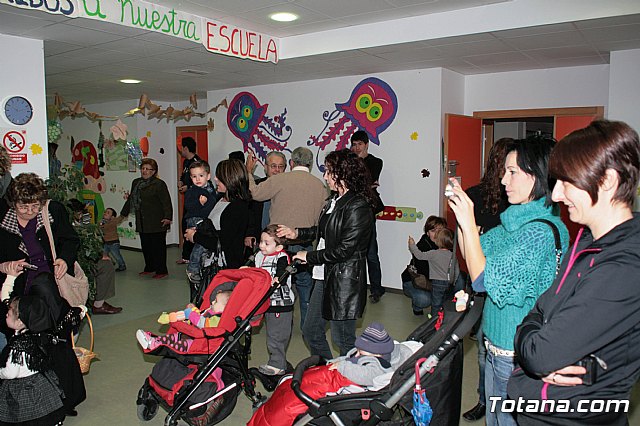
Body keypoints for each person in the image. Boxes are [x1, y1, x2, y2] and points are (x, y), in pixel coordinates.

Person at [508, 120, 640, 425]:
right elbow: (540, 309)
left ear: (607, 181)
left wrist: (533, 346)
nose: (556, 195)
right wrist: (533, 336)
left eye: (566, 183)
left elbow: (539, 354)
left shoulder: (624, 267)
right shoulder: (586, 241)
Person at [447, 136, 569, 426]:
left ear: (538, 175)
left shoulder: (539, 232)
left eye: (512, 172)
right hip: (496, 345)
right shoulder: (516, 221)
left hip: (515, 354)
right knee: (495, 419)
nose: (503, 180)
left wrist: (468, 222)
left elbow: (482, 280)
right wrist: (463, 222)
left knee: (505, 421)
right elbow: (474, 255)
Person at [278, 149, 375, 358]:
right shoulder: (335, 200)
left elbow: (344, 250)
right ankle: (327, 369)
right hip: (325, 274)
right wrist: (297, 233)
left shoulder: (358, 206)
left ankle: (352, 376)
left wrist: (309, 257)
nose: (325, 176)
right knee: (311, 331)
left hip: (344, 280)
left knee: (343, 340)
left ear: (342, 173)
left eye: (329, 171)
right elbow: (325, 231)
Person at [247, 147, 326, 328]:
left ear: (291, 163)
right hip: (305, 245)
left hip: (279, 246)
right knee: (305, 287)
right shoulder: (320, 186)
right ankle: (307, 326)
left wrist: (249, 173)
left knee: (278, 286)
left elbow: (255, 193)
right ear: (310, 164)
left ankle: (280, 324)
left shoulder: (279, 180)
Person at [462, 137, 512, 423]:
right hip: (480, 283)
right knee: (484, 353)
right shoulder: (475, 195)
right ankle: (484, 400)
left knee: (499, 355)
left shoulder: (520, 202)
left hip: (504, 287)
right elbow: (468, 249)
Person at [0, 295, 66, 426]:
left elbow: (10, 373)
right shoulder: (36, 336)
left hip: (23, 388)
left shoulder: (19, 346)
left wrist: (1, 373)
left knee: (25, 415)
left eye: (10, 312)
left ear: (20, 321)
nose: (6, 314)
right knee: (42, 411)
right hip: (39, 382)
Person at [184, 159, 251, 273]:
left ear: (229, 179)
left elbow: (224, 243)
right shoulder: (220, 198)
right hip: (211, 264)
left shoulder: (237, 207)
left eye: (219, 177)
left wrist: (195, 237)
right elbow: (214, 229)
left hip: (225, 267)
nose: (215, 179)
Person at [245, 224, 293, 376]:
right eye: (261, 242)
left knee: (276, 335)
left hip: (279, 303)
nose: (261, 246)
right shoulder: (259, 256)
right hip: (261, 299)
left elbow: (282, 271)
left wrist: (278, 278)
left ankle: (277, 364)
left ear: (279, 247)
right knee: (245, 321)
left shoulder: (282, 257)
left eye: (266, 243)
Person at [121, 158, 173, 279]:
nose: (144, 171)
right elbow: (131, 199)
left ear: (153, 171)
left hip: (157, 220)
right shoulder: (136, 182)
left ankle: (161, 270)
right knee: (146, 246)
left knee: (158, 247)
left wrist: (167, 217)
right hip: (142, 220)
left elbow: (166, 202)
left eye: (147, 169)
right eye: (143, 168)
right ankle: (149, 267)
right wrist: (123, 214)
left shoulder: (159, 184)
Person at [350, 131, 385, 304]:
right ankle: (357, 288)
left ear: (366, 144)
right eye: (354, 144)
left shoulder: (375, 162)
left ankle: (377, 289)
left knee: (371, 253)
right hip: (352, 211)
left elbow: (366, 182)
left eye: (359, 144)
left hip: (368, 211)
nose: (356, 148)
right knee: (354, 253)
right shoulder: (350, 161)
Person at [137, 290, 232, 352]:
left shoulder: (218, 318)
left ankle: (156, 345)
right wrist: (194, 309)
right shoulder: (211, 311)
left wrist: (191, 314)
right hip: (193, 335)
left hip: (201, 343)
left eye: (216, 301)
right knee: (175, 336)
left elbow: (203, 324)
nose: (212, 302)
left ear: (226, 308)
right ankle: (154, 341)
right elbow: (200, 316)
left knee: (179, 344)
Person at [407, 227, 460, 316]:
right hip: (448, 283)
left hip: (437, 283)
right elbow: (456, 270)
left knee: (436, 304)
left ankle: (434, 320)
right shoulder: (452, 255)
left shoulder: (434, 253)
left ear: (438, 241)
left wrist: (412, 245)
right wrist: (453, 281)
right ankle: (443, 318)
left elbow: (419, 255)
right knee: (444, 303)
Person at [402, 215, 447, 316]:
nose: (437, 234)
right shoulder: (423, 246)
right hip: (415, 281)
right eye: (433, 231)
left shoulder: (447, 245)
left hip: (435, 282)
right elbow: (426, 273)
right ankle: (417, 306)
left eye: (440, 230)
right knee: (424, 299)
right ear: (427, 233)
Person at [327, 322, 395, 388]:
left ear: (378, 354)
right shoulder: (366, 352)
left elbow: (365, 376)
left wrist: (342, 367)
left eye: (360, 353)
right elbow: (348, 358)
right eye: (357, 350)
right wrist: (334, 362)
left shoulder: (379, 365)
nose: (357, 355)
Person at [245, 151, 287, 254]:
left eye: (280, 166)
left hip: (281, 241)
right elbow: (249, 211)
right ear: (265, 167)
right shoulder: (256, 186)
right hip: (258, 239)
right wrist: (249, 233)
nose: (277, 170)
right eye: (273, 166)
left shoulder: (288, 188)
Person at [184, 160, 216, 282]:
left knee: (205, 245)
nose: (197, 179)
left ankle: (202, 265)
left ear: (208, 176)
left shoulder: (211, 189)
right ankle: (192, 268)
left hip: (206, 220)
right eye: (194, 176)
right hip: (195, 219)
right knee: (200, 243)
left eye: (201, 175)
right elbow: (188, 206)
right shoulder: (192, 191)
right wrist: (199, 203)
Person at [177, 136, 202, 264]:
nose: (180, 150)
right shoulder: (186, 162)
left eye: (181, 147)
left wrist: (189, 187)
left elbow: (201, 182)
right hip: (188, 199)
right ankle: (186, 256)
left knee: (192, 226)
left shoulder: (197, 162)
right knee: (185, 225)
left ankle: (192, 256)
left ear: (185, 148)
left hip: (196, 200)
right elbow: (183, 176)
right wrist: (181, 182)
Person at [100, 207, 126, 271]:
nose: (105, 213)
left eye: (108, 213)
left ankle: (122, 265)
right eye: (105, 212)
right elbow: (99, 229)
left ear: (112, 217)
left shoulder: (113, 221)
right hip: (106, 243)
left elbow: (120, 218)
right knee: (104, 254)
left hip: (114, 243)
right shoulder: (101, 222)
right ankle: (110, 263)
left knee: (116, 255)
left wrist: (124, 212)